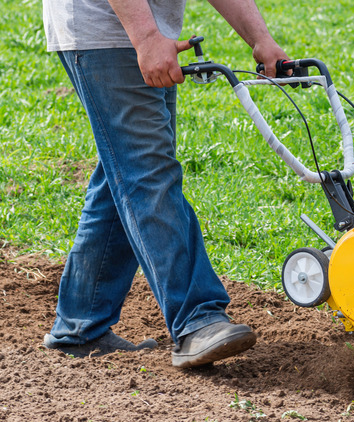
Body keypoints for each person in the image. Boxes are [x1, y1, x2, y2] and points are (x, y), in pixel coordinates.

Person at [40, 0, 289, 368]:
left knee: (125, 174)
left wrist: (260, 39)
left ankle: (80, 326)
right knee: (147, 173)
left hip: (149, 33)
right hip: (108, 31)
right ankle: (197, 319)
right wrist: (145, 37)